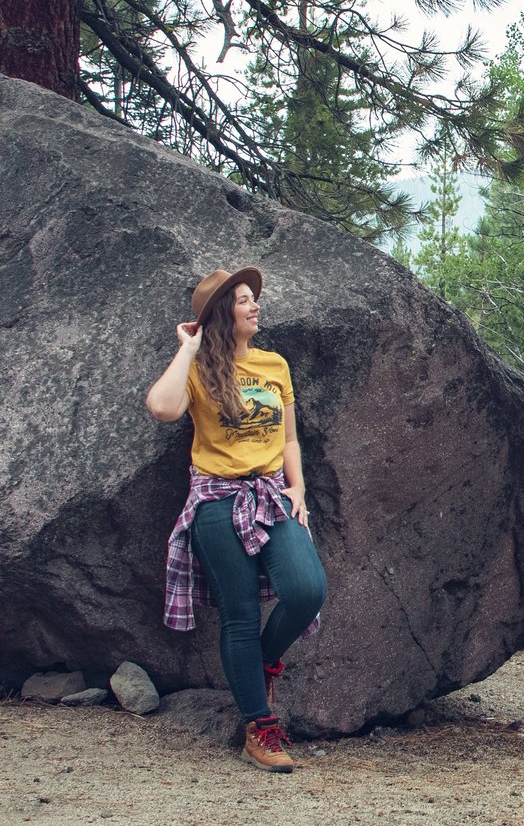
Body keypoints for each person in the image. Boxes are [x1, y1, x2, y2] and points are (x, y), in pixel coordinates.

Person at [146, 266, 327, 773]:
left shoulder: (275, 364)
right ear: (223, 312)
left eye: (254, 298)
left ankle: (260, 665)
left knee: (306, 588)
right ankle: (259, 726)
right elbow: (162, 409)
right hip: (216, 501)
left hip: (271, 495)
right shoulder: (200, 368)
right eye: (244, 300)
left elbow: (289, 437)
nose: (255, 305)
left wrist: (299, 488)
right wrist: (188, 346)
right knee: (240, 615)